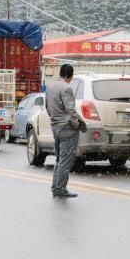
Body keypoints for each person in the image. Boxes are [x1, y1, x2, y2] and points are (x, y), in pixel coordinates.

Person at [45, 63, 86, 198]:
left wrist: (54, 120)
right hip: (67, 127)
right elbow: (71, 109)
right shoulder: (66, 88)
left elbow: (47, 106)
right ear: (70, 75)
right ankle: (60, 188)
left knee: (59, 159)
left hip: (55, 126)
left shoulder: (50, 86)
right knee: (66, 159)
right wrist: (76, 124)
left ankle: (55, 187)